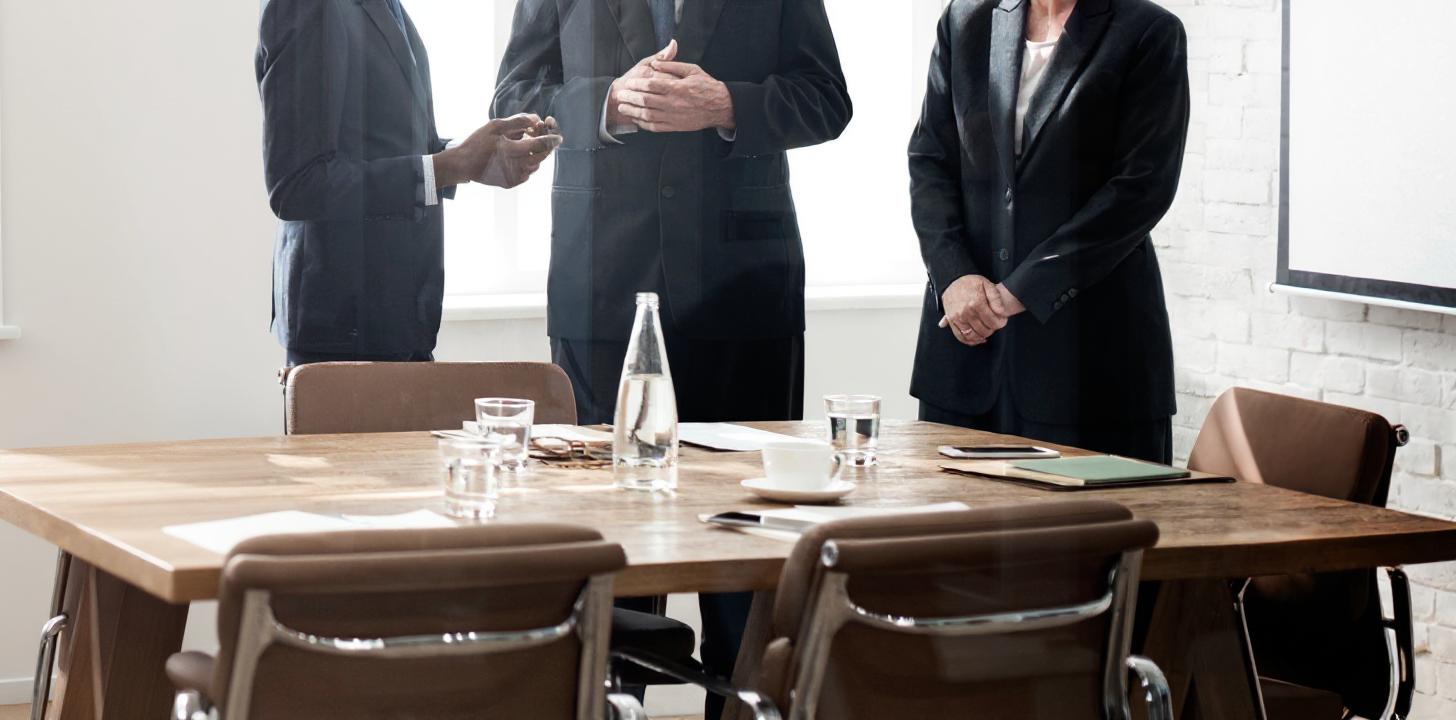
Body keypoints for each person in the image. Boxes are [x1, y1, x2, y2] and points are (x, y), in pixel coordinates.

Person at [492, 0, 851, 713]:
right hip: (599, 290)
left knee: (750, 548)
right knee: (609, 557)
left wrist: (729, 104)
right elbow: (513, 99)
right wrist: (608, 103)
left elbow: (826, 100)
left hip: (745, 296)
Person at [909, 0, 1190, 464]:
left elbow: (1140, 189)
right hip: (967, 352)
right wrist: (953, 274)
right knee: (954, 509)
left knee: (1097, 512)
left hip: (1091, 361)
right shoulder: (964, 20)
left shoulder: (1149, 32)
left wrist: (1021, 290)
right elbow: (930, 160)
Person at [257, 0, 560, 367]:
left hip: (400, 324)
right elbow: (296, 184)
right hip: (343, 333)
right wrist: (447, 167)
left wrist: (473, 160)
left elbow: (386, 143)